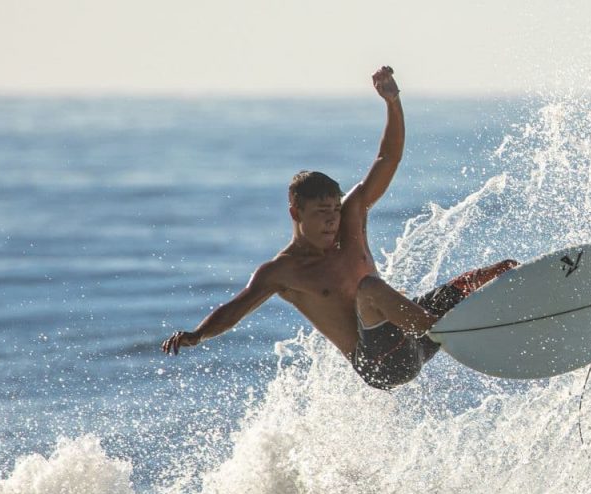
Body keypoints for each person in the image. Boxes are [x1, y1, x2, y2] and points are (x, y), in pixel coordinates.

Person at [161, 66, 516, 389]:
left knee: (474, 279)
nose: (333, 219)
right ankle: (445, 327)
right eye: (321, 212)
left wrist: (393, 102)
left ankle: (507, 298)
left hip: (409, 337)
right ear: (295, 212)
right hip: (380, 364)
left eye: (334, 208)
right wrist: (197, 335)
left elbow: (387, 159)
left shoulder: (352, 218)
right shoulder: (282, 271)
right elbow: (234, 310)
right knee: (370, 289)